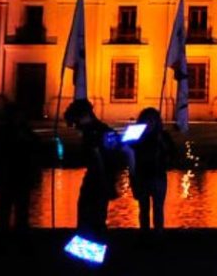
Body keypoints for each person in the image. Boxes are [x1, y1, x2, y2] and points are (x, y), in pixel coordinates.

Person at [64, 99, 125, 241]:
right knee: (98, 218)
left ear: (85, 115)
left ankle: (89, 257)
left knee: (88, 218)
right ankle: (93, 254)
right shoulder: (105, 130)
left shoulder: (92, 133)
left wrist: (105, 182)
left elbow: (98, 159)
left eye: (76, 122)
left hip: (96, 180)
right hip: (104, 178)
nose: (76, 127)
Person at [0, 105, 41, 234]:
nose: (19, 119)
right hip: (9, 175)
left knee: (20, 209)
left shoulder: (24, 132)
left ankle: (18, 233)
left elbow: (35, 147)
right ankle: (6, 234)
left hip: (20, 175)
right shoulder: (6, 133)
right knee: (6, 208)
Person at [129, 108, 177, 232]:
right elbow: (129, 152)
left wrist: (162, 143)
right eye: (147, 120)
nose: (149, 123)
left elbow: (173, 153)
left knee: (158, 208)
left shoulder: (162, 136)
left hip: (158, 175)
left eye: (152, 120)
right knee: (143, 208)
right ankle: (144, 234)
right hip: (142, 176)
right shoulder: (137, 135)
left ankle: (158, 235)